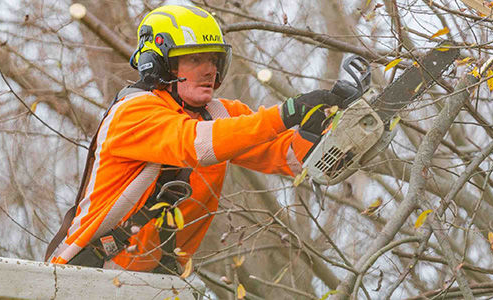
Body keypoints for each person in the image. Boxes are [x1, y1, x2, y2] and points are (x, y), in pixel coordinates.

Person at [46, 4, 355, 274]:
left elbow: (291, 158)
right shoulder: (134, 112)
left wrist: (328, 129)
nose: (209, 70)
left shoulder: (220, 114)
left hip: (155, 280)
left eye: (213, 59)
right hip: (88, 272)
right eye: (195, 59)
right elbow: (199, 145)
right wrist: (287, 112)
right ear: (160, 63)